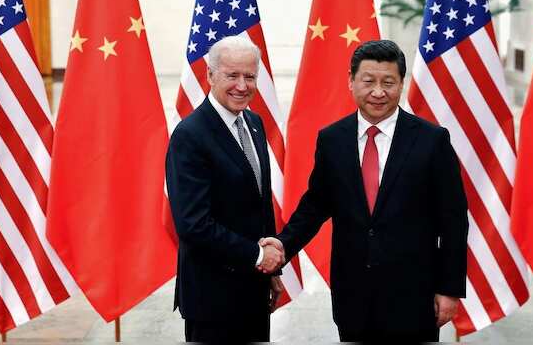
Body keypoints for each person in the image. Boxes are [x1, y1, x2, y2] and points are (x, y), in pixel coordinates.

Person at [261, 40, 468, 342]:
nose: (378, 92)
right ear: (351, 81)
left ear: (401, 83)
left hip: (414, 297)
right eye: (368, 81)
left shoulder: (432, 140)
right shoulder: (332, 139)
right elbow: (316, 205)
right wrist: (282, 245)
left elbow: (453, 221)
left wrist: (449, 289)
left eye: (388, 82)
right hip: (353, 296)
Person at [166, 36, 285, 342]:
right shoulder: (190, 135)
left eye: (250, 76)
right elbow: (193, 224)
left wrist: (271, 271)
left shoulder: (254, 123)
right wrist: (258, 255)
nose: (242, 86)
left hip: (254, 290)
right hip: (212, 299)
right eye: (232, 75)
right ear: (210, 75)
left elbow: (260, 202)